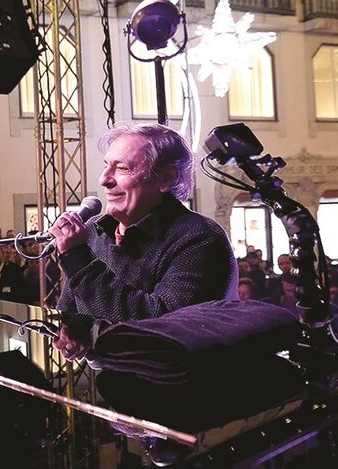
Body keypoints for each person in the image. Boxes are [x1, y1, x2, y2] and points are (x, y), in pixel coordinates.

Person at [48, 123, 238, 361]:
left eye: (122, 168)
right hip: (108, 386)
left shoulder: (201, 239)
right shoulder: (94, 232)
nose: (104, 179)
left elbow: (160, 324)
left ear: (166, 178)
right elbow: (72, 312)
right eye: (107, 165)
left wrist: (78, 259)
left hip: (176, 387)